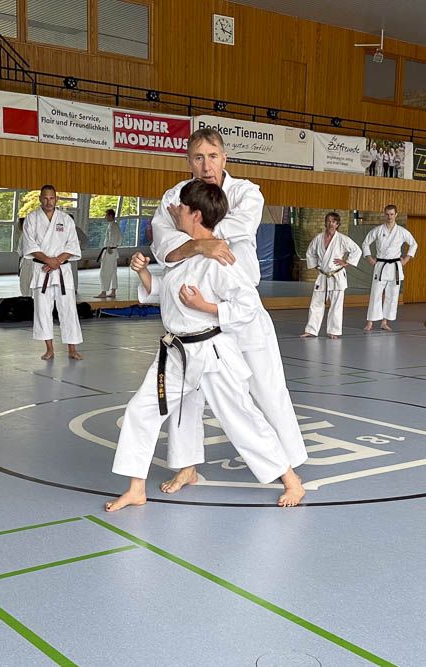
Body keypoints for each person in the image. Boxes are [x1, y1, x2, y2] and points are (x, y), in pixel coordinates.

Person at [106, 181, 292, 512]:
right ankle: (136, 488)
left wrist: (206, 306)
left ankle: (291, 480)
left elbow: (247, 305)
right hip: (176, 353)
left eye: (180, 207)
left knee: (240, 417)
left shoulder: (220, 259)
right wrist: (145, 273)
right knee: (141, 410)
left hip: (211, 352)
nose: (174, 210)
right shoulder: (188, 252)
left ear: (195, 214)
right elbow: (166, 291)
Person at [150, 128, 306, 506]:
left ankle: (288, 462)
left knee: (266, 385)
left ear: (224, 158)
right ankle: (186, 465)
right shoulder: (174, 197)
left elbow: (237, 229)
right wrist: (199, 241)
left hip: (239, 303)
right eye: (198, 157)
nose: (206, 165)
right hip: (195, 309)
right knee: (187, 392)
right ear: (188, 161)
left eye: (213, 156)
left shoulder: (246, 192)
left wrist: (191, 234)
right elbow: (163, 247)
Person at [22, 185, 83, 361]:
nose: (49, 202)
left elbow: (73, 244)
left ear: (56, 199)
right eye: (45, 198)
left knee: (69, 310)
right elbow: (30, 245)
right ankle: (49, 349)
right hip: (42, 270)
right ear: (40, 199)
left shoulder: (65, 219)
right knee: (43, 311)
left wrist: (57, 261)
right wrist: (48, 260)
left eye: (52, 198)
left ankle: (72, 349)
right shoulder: (31, 219)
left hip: (62, 270)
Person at [300, 212, 361, 339]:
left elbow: (357, 250)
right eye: (328, 221)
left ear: (337, 224)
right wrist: (315, 265)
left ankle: (334, 331)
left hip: (337, 275)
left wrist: (346, 262)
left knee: (336, 305)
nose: (330, 224)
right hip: (323, 276)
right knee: (316, 303)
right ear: (325, 223)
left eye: (333, 221)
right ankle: (311, 330)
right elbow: (310, 253)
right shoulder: (318, 238)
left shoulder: (342, 239)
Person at [363, 204, 418, 331]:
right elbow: (365, 243)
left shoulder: (402, 231)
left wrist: (406, 259)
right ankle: (370, 322)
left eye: (392, 214)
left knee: (392, 295)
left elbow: (414, 244)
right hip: (381, 265)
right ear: (384, 214)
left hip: (395, 267)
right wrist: (369, 258)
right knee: (375, 294)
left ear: (396, 215)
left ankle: (384, 322)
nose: (389, 217)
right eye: (387, 214)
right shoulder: (378, 230)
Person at [96, 208, 122, 299]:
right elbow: (119, 238)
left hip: (110, 251)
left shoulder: (112, 226)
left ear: (111, 216)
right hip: (113, 251)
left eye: (106, 215)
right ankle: (113, 291)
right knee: (113, 272)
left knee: (105, 272)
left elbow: (112, 237)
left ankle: (104, 292)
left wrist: (109, 246)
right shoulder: (115, 225)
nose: (105, 217)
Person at [16, 217, 33, 297]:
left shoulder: (25, 235)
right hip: (32, 262)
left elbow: (21, 252)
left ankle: (27, 299)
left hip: (28, 262)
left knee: (25, 284)